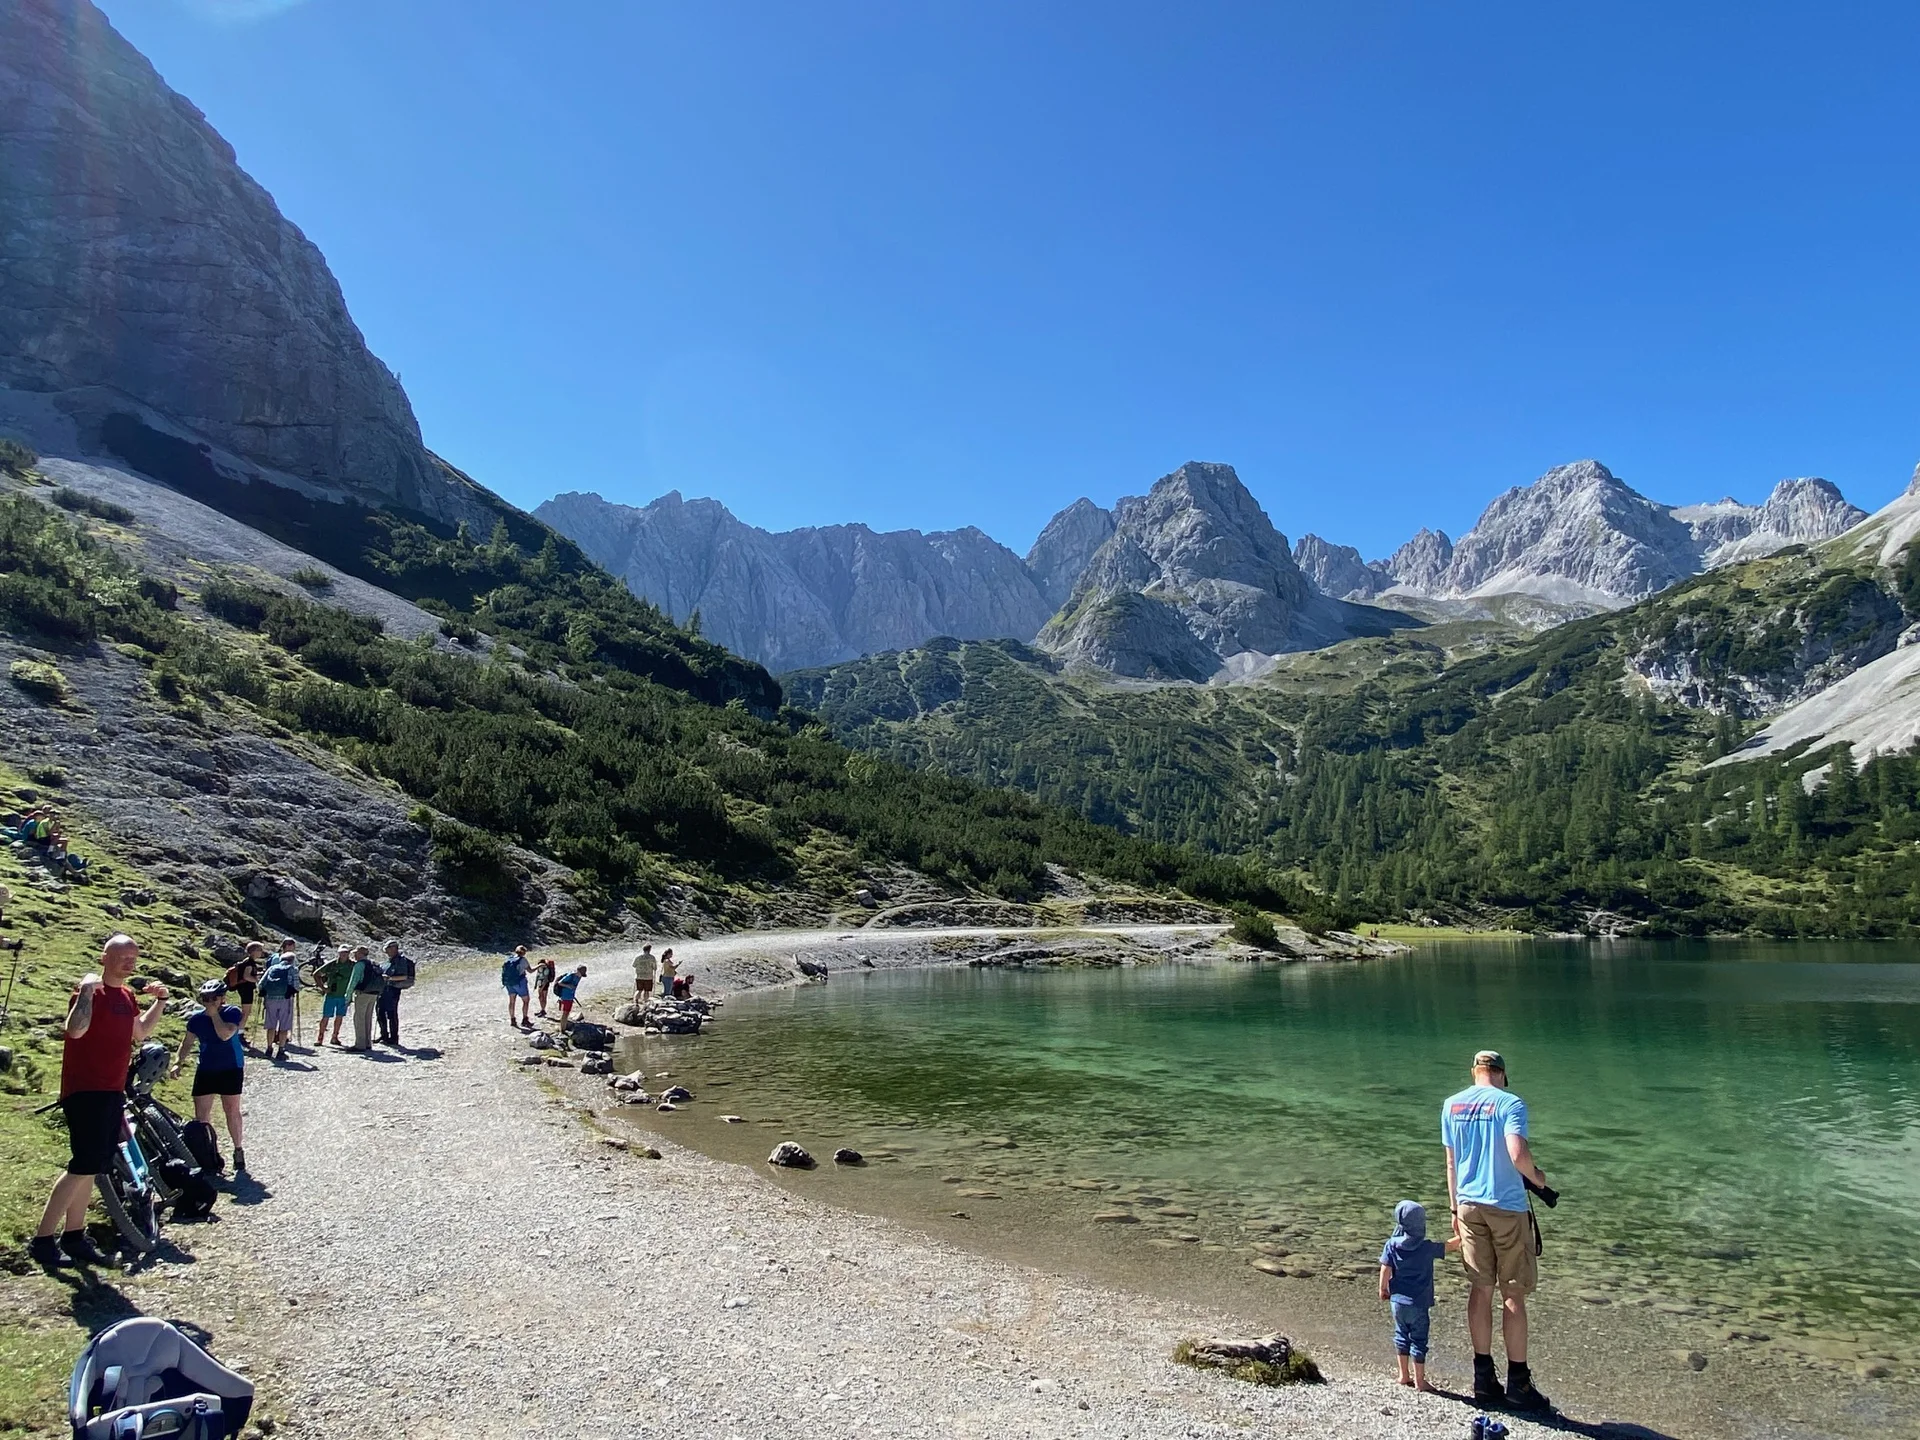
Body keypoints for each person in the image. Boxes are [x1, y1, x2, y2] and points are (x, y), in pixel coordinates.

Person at [30, 934, 170, 1268]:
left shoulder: (127, 995)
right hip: (85, 1091)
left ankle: (74, 1237)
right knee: (83, 1164)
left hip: (111, 1091)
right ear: (104, 958)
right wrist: (86, 993)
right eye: (123, 956)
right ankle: (43, 1241)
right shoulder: (88, 991)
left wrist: (161, 1002)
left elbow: (140, 1032)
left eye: (133, 957)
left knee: (93, 1166)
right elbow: (75, 1030)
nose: (129, 963)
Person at [1443, 1049, 1552, 1412]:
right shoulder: (1510, 1103)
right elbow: (1517, 1153)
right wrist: (1538, 1177)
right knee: (1513, 1292)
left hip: (1468, 1205)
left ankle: (1483, 1379)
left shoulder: (1452, 1105)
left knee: (1481, 1287)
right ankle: (1519, 1383)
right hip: (1506, 1206)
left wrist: (1454, 1209)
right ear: (1502, 1074)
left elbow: (1451, 1162)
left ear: (1473, 1072)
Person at [1377, 1199, 1460, 1391]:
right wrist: (1462, 1231)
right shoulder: (1426, 1247)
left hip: (1397, 1302)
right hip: (1419, 1304)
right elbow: (1451, 1246)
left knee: (1401, 1335)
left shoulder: (1391, 1245)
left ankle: (1403, 1375)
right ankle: (1420, 1381)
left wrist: (1383, 1289)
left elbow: (1385, 1268)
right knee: (1419, 1340)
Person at [173, 978, 247, 1176]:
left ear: (222, 998)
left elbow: (225, 1035)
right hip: (206, 1068)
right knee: (201, 1117)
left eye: (214, 998)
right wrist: (178, 1062)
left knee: (231, 1109)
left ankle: (238, 1149)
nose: (210, 1002)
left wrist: (214, 1015)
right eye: (206, 998)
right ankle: (209, 1154)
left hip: (231, 1067)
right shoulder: (196, 1019)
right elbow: (187, 1042)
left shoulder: (232, 1012)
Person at [257, 942, 303, 1061]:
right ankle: (281, 1050)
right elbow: (297, 987)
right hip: (285, 1000)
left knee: (271, 1025)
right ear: (292, 960)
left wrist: (265, 993)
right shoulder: (293, 969)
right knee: (284, 1026)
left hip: (270, 999)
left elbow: (261, 984)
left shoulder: (272, 968)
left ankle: (269, 1048)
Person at [227, 942, 266, 1052]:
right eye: (259, 950)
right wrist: (257, 981)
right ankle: (238, 1035)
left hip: (244, 989)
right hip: (246, 989)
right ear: (253, 951)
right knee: (245, 1013)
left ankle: (239, 1034)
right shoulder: (249, 963)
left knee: (246, 1012)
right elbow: (246, 976)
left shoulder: (248, 961)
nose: (261, 952)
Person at [376, 939, 415, 1047]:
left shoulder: (401, 961)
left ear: (394, 948)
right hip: (383, 990)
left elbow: (404, 976)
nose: (387, 951)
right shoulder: (387, 962)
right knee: (380, 1012)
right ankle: (384, 1035)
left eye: (389, 949)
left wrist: (389, 978)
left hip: (393, 990)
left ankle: (393, 1038)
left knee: (391, 1013)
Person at [347, 944, 386, 1053]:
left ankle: (360, 1045)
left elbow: (353, 981)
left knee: (359, 1019)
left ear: (360, 954)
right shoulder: (372, 964)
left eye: (356, 953)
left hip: (362, 994)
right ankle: (368, 1043)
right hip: (373, 994)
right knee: (368, 1018)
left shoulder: (359, 965)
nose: (354, 955)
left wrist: (348, 996)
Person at [315, 945, 354, 1047]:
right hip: (331, 995)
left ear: (349, 953)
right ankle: (320, 1038)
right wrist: (323, 988)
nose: (343, 954)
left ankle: (335, 1037)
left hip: (344, 995)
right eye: (342, 952)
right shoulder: (332, 964)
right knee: (326, 1016)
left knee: (339, 1016)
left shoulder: (353, 965)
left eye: (346, 952)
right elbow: (316, 974)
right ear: (338, 953)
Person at [501, 944, 532, 1028]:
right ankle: (525, 1019)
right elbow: (530, 971)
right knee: (526, 1001)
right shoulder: (523, 960)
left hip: (509, 983)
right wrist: (540, 965)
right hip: (520, 982)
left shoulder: (509, 959)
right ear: (524, 952)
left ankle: (512, 1019)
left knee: (512, 1001)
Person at [532, 952, 558, 1019]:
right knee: (540, 997)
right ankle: (542, 1010)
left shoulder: (546, 969)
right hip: (540, 984)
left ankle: (543, 1010)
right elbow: (537, 976)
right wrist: (535, 985)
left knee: (543, 997)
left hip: (545, 985)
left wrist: (542, 988)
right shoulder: (540, 969)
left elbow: (546, 980)